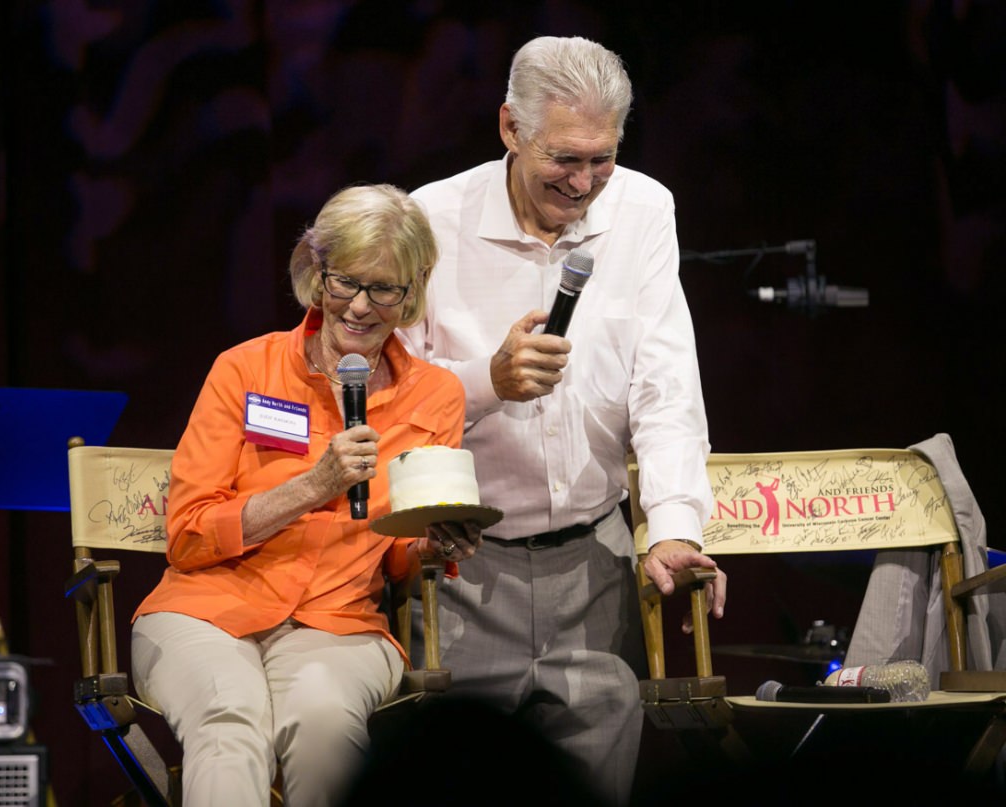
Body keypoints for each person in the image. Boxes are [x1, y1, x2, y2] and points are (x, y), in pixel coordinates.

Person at [398, 36, 727, 806]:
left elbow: (667, 383)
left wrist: (674, 525)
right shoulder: (429, 221)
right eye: (565, 160)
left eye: (601, 159)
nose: (584, 184)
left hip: (596, 567)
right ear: (510, 128)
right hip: (464, 573)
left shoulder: (642, 209)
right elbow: (392, 403)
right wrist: (488, 382)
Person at [131, 183, 481, 807]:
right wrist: (315, 485)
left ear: (412, 294)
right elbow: (186, 537)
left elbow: (398, 557)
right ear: (316, 274)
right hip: (207, 610)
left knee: (323, 726)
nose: (359, 306)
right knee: (229, 720)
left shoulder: (436, 398)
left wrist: (432, 547)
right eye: (344, 281)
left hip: (340, 623)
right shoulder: (244, 369)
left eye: (385, 289)